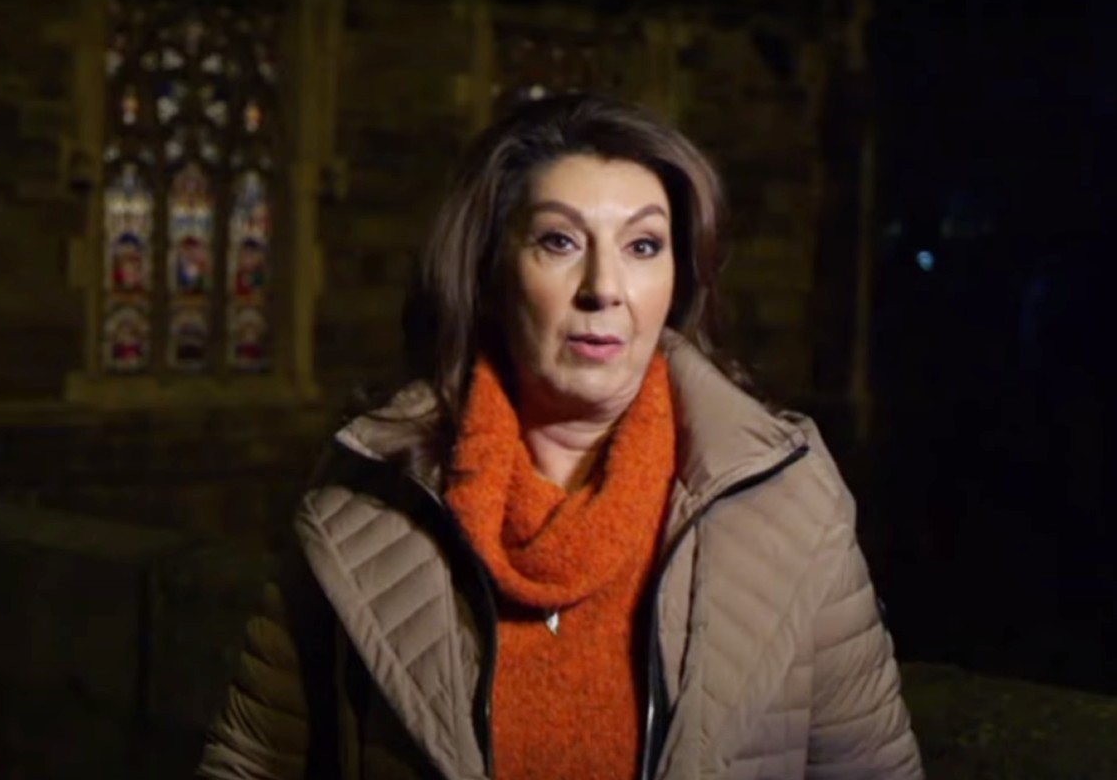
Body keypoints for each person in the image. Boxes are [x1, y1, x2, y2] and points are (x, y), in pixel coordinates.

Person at [198, 94, 921, 779]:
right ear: (489, 271)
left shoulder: (791, 497)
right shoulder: (364, 494)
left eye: (643, 245)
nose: (604, 286)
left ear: (679, 278)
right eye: (559, 241)